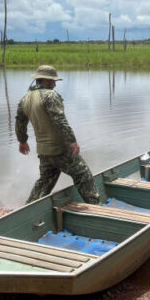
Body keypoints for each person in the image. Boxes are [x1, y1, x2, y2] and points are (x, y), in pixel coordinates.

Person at [15, 65, 100, 204]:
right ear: (47, 80)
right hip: (59, 149)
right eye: (53, 81)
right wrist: (72, 141)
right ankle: (97, 208)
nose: (55, 84)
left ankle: (28, 210)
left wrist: (22, 141)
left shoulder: (25, 99)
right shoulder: (50, 95)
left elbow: (20, 122)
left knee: (44, 183)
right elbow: (60, 120)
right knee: (83, 176)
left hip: (44, 151)